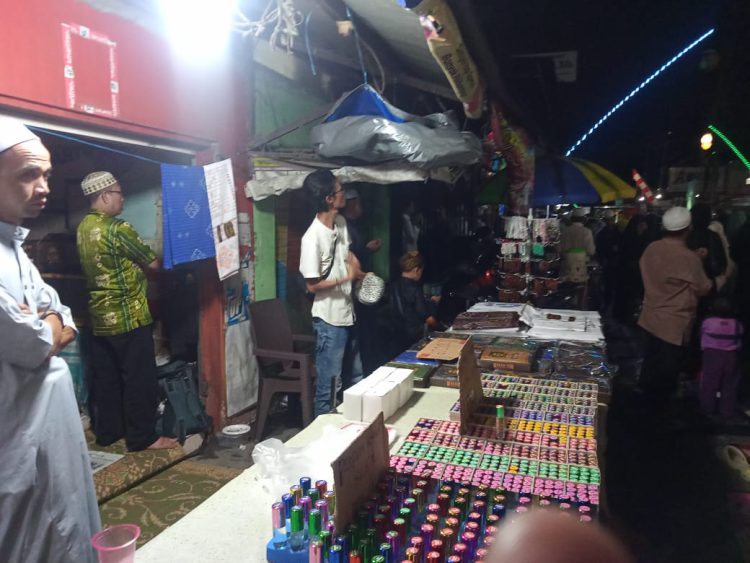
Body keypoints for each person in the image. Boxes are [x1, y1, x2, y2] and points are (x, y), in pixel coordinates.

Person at [0, 118, 100, 562]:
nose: (43, 187)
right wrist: (51, 325)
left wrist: (52, 320)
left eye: (46, 175)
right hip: (16, 435)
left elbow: (60, 312)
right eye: (28, 174)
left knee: (70, 520)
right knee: (29, 540)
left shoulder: (14, 247)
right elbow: (34, 343)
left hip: (48, 428)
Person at [77, 171, 177, 451]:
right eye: (120, 194)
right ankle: (143, 437)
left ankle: (108, 432)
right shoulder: (118, 228)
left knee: (107, 378)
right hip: (128, 315)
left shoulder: (83, 227)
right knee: (139, 378)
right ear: (105, 195)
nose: (123, 199)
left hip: (100, 318)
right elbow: (153, 263)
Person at [638, 207, 723, 412]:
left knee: (650, 365)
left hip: (649, 317)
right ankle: (657, 415)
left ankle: (642, 407)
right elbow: (703, 287)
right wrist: (720, 277)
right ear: (688, 229)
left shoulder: (652, 248)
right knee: (666, 374)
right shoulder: (688, 258)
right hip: (673, 323)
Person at [299, 169, 364, 416]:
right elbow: (312, 285)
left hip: (348, 313)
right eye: (340, 190)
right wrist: (346, 278)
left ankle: (357, 429)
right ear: (328, 198)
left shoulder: (341, 223)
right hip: (329, 321)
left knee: (357, 378)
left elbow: (346, 254)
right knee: (329, 388)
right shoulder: (312, 238)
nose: (344, 193)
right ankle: (321, 434)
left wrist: (357, 268)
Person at [342, 188, 383, 374]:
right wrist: (367, 250)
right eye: (358, 203)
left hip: (359, 285)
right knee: (359, 332)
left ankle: (365, 371)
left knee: (364, 333)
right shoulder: (343, 228)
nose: (361, 207)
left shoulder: (353, 226)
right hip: (352, 289)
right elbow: (347, 258)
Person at [389, 251, 443, 354]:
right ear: (416, 270)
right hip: (414, 335)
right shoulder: (415, 288)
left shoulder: (393, 285)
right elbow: (426, 316)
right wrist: (441, 328)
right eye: (421, 271)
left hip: (397, 332)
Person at [699, 297, 743, 418]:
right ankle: (727, 411)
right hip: (731, 355)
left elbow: (701, 333)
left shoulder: (708, 322)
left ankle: (707, 409)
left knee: (709, 382)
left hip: (711, 354)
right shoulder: (737, 324)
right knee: (729, 383)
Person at [559, 208, 596, 308]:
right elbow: (591, 251)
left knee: (566, 292)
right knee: (581, 291)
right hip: (580, 268)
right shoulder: (587, 232)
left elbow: (559, 249)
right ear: (584, 219)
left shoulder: (565, 231)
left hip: (567, 267)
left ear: (572, 219)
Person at [595, 209, 621, 311]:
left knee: (614, 287)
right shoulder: (602, 234)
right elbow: (599, 250)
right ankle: (607, 305)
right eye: (608, 220)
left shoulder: (618, 232)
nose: (610, 221)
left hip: (616, 263)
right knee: (608, 286)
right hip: (607, 264)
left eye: (611, 219)